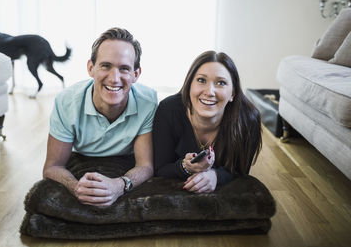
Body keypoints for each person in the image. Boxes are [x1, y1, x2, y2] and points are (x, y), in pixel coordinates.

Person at [43, 28, 158, 207]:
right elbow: (52, 167)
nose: (114, 78)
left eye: (124, 69)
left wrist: (119, 185)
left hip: (124, 162)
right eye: (106, 66)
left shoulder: (148, 102)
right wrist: (77, 188)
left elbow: (145, 166)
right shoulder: (66, 102)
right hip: (82, 157)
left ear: (136, 74)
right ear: (91, 68)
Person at [152, 50, 262, 193]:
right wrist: (185, 167)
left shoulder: (248, 119)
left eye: (221, 83)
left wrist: (215, 175)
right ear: (189, 85)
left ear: (233, 93)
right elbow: (160, 168)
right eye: (201, 80)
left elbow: (241, 171)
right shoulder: (168, 109)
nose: (209, 91)